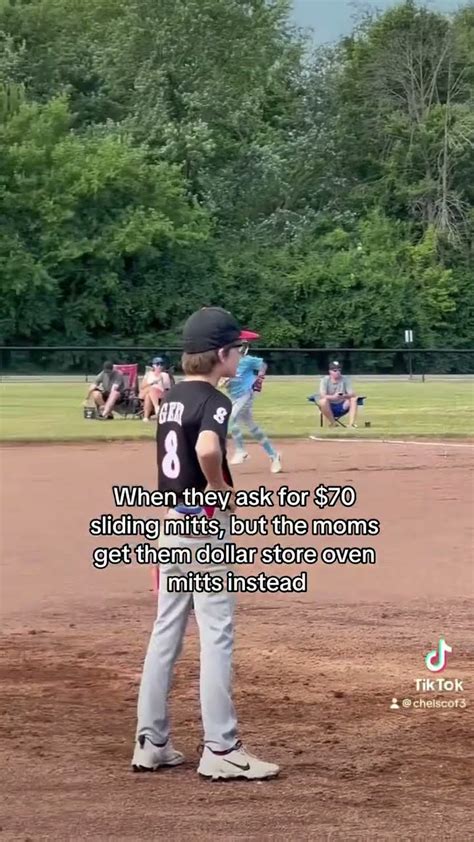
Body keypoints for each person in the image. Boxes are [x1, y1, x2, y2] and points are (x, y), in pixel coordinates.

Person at [131, 306, 280, 781]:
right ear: (220, 354)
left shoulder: (171, 396)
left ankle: (151, 742)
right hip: (204, 529)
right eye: (238, 347)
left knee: (166, 632)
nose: (242, 354)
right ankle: (221, 747)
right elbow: (207, 448)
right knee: (216, 633)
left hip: (172, 525)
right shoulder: (214, 399)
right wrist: (219, 489)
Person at [225, 336, 282, 473]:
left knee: (231, 418)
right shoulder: (228, 361)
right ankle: (274, 455)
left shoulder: (247, 360)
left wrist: (260, 377)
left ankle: (241, 451)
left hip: (246, 393)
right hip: (235, 396)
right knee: (252, 427)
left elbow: (263, 365)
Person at [318, 360, 359, 427]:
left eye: (339, 370)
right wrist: (334, 397)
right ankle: (333, 423)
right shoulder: (325, 380)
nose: (338, 372)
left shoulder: (345, 379)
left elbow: (352, 394)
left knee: (353, 399)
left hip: (342, 405)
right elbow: (322, 395)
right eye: (335, 370)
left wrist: (344, 395)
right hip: (329, 406)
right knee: (323, 401)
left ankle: (351, 424)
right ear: (330, 371)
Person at [140, 356, 173, 422]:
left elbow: (166, 389)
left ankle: (146, 417)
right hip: (145, 392)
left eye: (161, 364)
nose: (159, 366)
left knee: (148, 396)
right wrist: (153, 382)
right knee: (151, 389)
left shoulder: (165, 375)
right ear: (153, 365)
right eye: (157, 364)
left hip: (160, 394)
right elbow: (142, 386)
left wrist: (161, 379)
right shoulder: (149, 374)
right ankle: (156, 407)